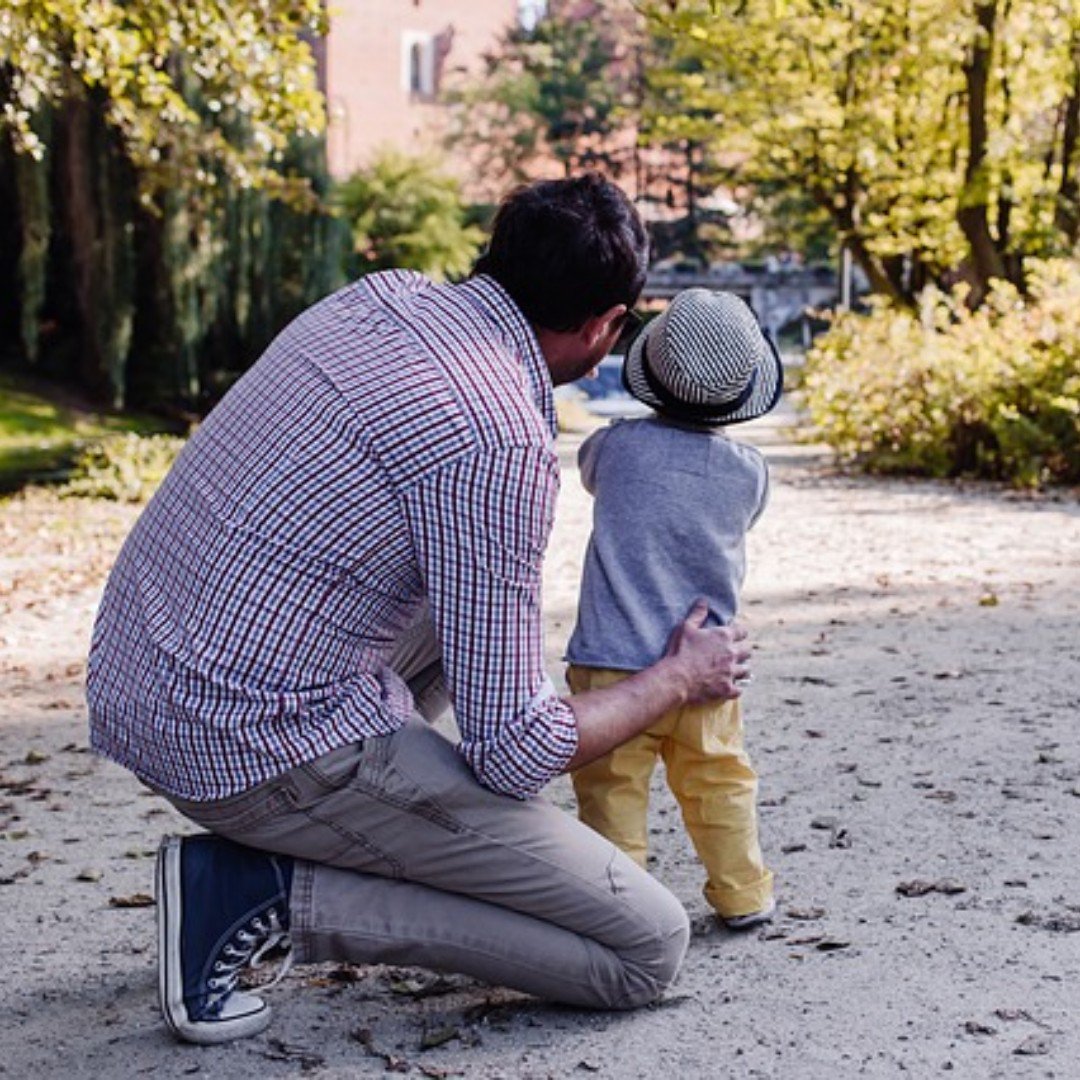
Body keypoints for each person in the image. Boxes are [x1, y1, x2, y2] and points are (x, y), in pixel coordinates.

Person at [86, 174, 752, 1046]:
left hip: (146, 677)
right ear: (604, 327)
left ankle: (379, 817)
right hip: (248, 741)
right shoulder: (501, 439)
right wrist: (674, 678)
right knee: (643, 947)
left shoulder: (382, 296)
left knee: (471, 603)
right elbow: (519, 753)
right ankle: (261, 896)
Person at [565, 288, 782, 930]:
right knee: (720, 782)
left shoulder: (615, 449)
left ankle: (622, 907)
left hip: (611, 668)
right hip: (708, 667)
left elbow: (586, 471)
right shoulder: (749, 472)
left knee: (611, 793)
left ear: (649, 375)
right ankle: (743, 892)